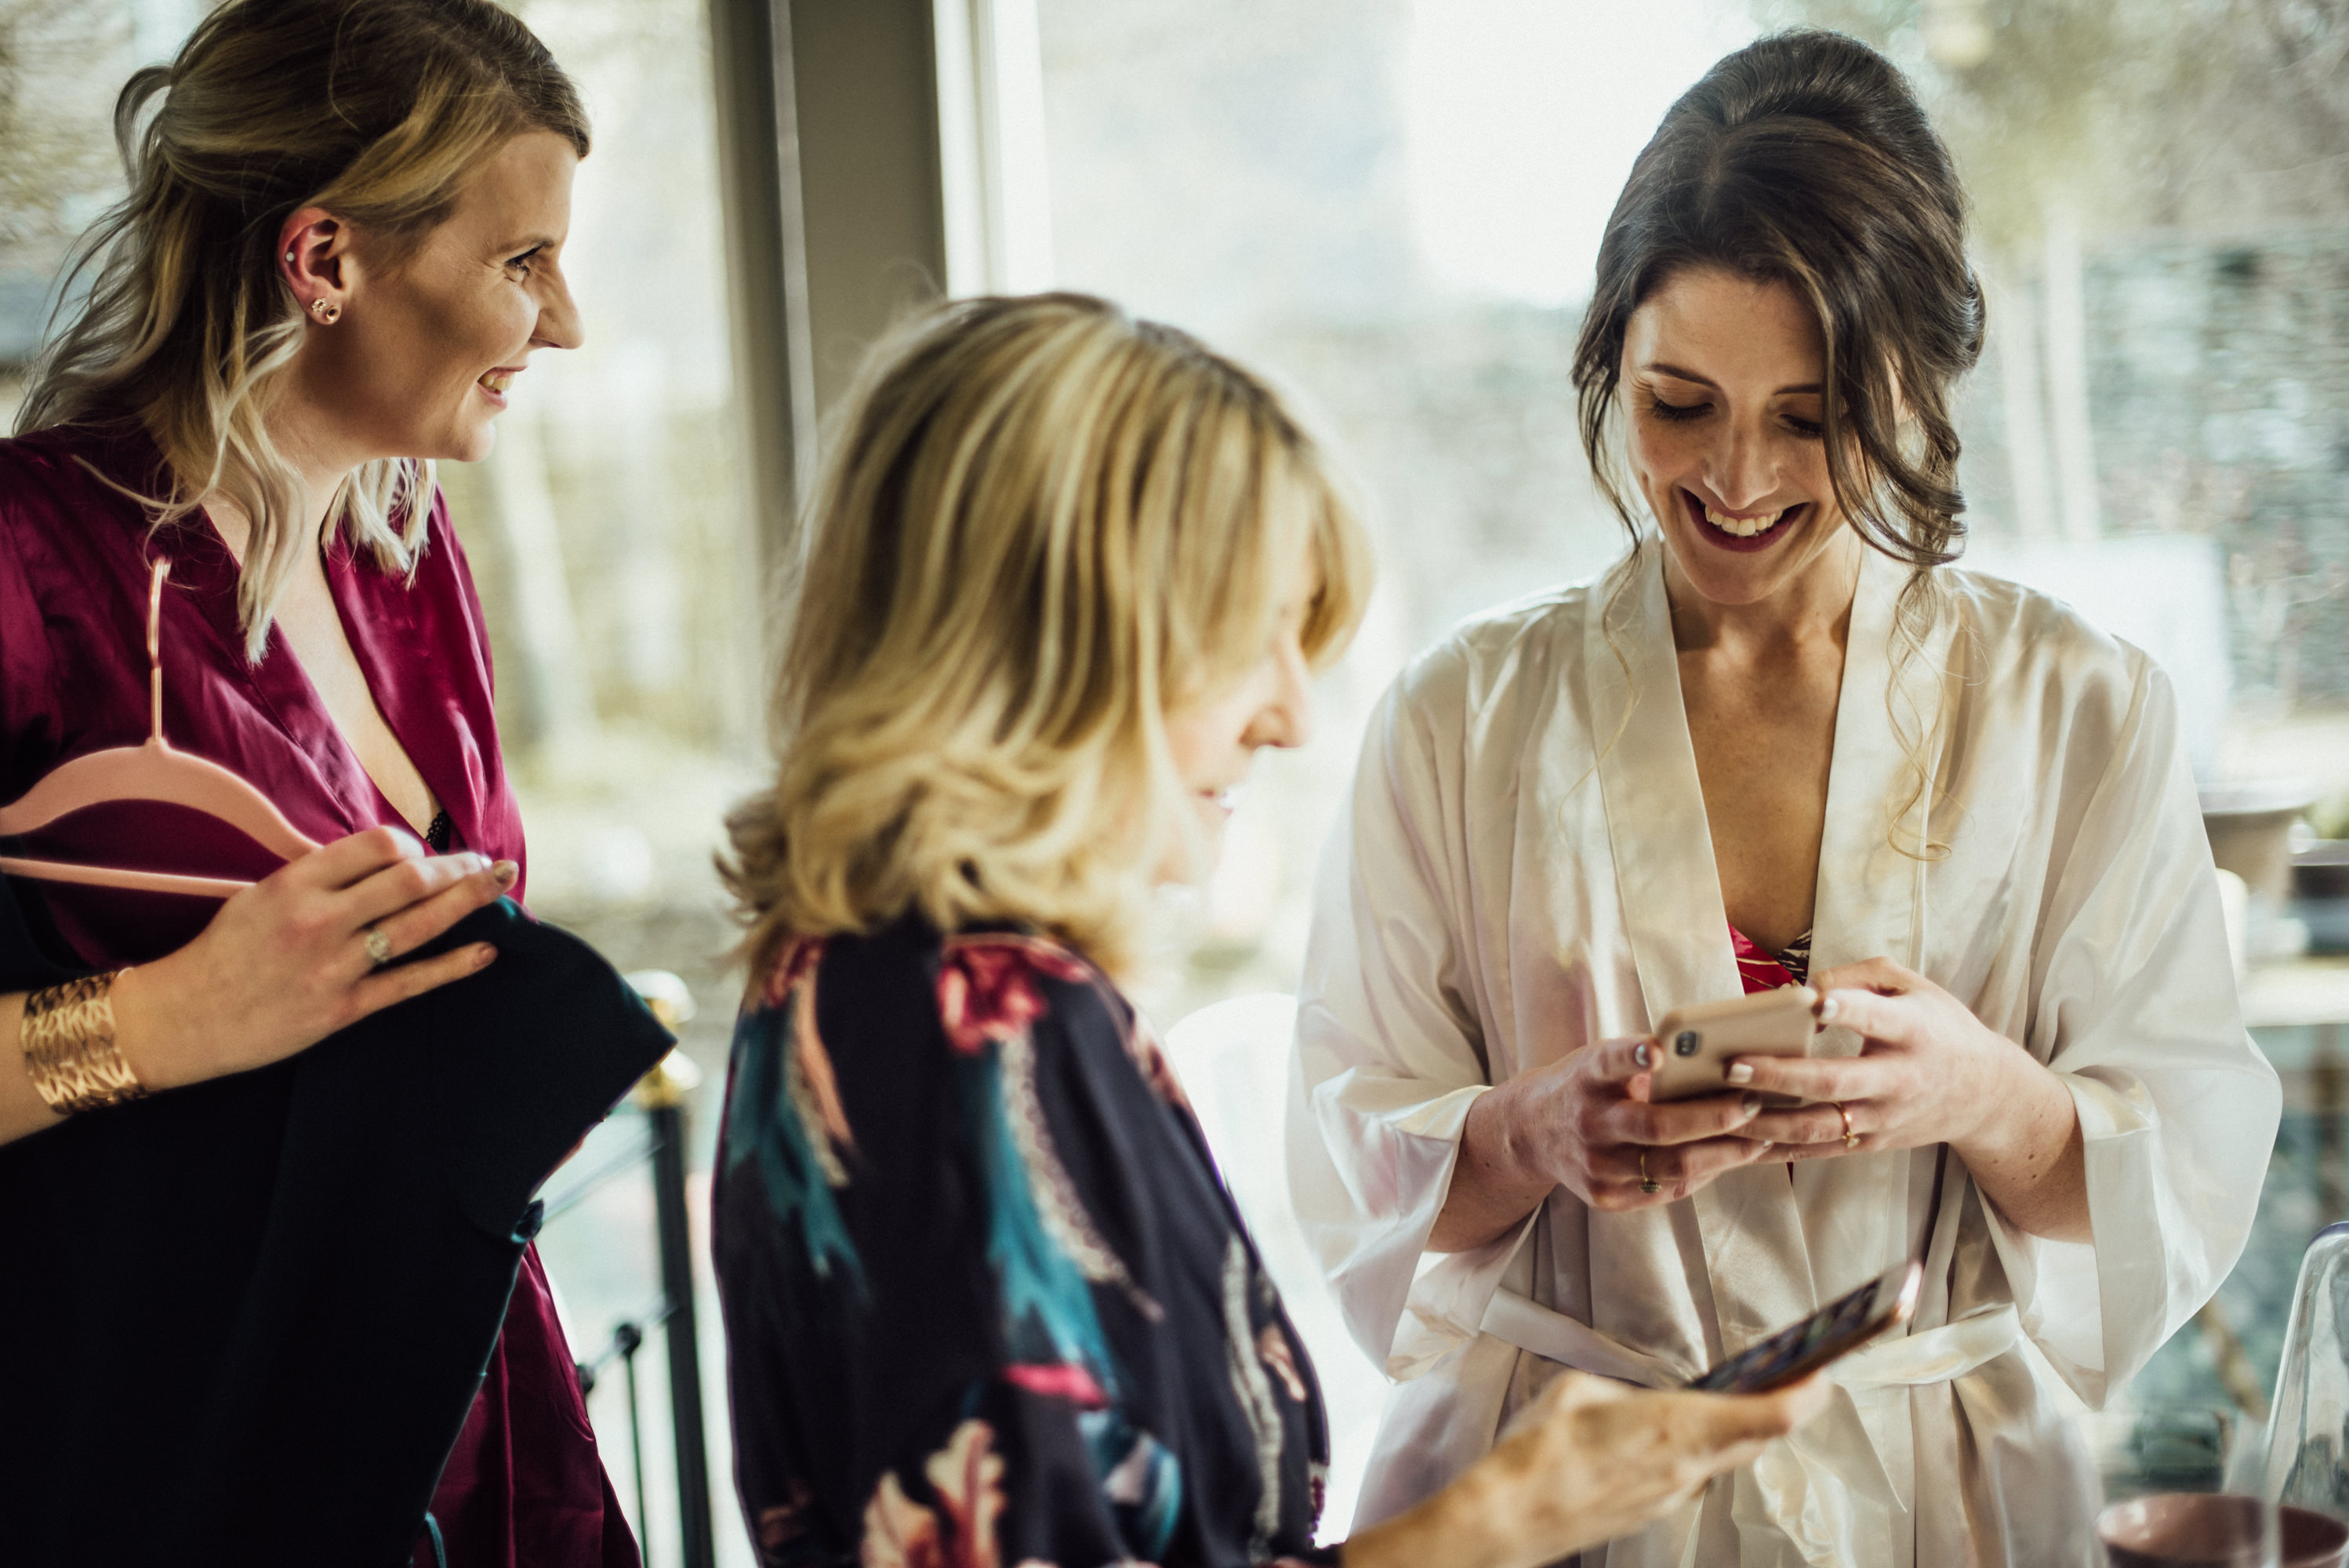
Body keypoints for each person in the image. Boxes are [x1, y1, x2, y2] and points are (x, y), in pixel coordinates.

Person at [1289, 30, 2282, 1567]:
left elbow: (2185, 1160)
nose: (1735, 479)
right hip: (1560, 1483)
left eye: (1810, 417)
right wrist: (1528, 1130)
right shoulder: (1459, 720)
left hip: (1934, 1492)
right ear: (1609, 355)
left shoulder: (2074, 708)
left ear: (1914, 386)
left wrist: (1979, 1093)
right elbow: (1351, 1156)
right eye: (1678, 402)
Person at [710, 292, 1826, 1568]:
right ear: (1062, 628)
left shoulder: (835, 982)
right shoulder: (990, 1030)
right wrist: (1501, 1521)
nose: (1291, 718)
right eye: (1253, 641)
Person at [0, 1, 648, 1562]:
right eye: (521, 263)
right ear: (327, 261)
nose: (562, 325)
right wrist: (158, 1024)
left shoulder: (409, 563)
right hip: (167, 1455)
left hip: (460, 1407)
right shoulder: (28, 558)